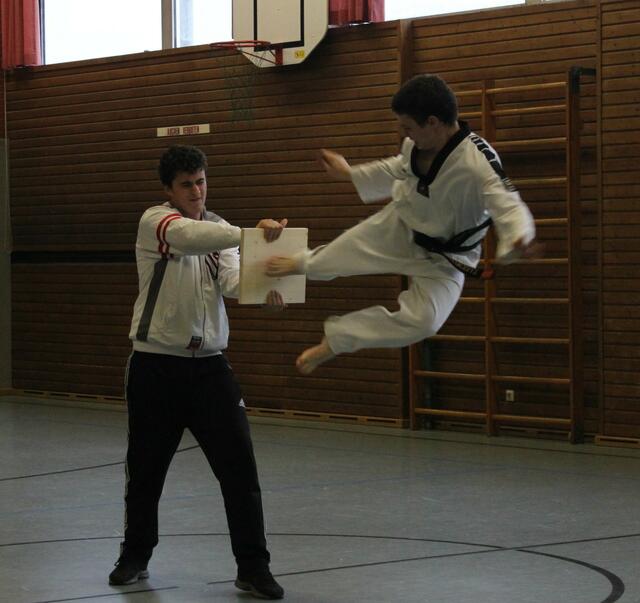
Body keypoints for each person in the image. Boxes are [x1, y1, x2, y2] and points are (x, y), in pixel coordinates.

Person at [266, 74, 541, 375]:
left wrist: (520, 236)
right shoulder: (414, 145)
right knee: (331, 260)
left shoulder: (479, 163)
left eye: (408, 126)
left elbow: (508, 202)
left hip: (447, 258)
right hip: (400, 225)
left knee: (425, 322)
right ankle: (301, 263)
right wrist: (349, 173)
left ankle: (337, 340)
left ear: (433, 122)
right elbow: (397, 168)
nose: (403, 133)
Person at [109, 144, 285, 600]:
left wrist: (264, 289)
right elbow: (189, 237)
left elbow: (232, 281)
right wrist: (249, 235)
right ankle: (135, 555)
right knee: (146, 470)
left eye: (201, 181)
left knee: (240, 470)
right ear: (168, 190)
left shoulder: (220, 231)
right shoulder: (157, 222)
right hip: (155, 366)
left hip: (210, 370)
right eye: (186, 185)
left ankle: (253, 567)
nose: (196, 191)